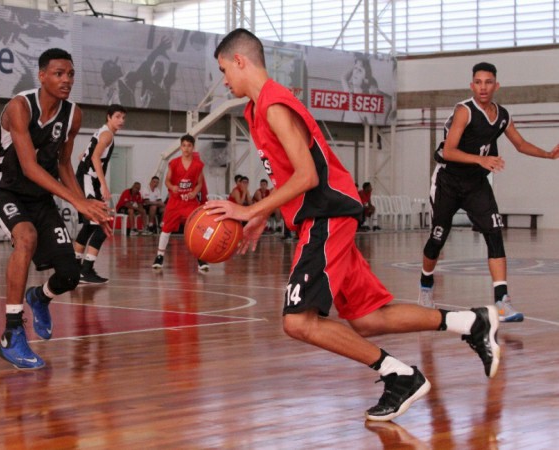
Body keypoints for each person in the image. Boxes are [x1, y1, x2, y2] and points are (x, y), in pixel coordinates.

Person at [207, 28, 501, 422]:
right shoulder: (256, 109)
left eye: (225, 69)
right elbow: (289, 174)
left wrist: (246, 210)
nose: (224, 80)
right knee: (366, 318)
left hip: (326, 216)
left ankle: (401, 376)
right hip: (326, 216)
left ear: (240, 60)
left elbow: (308, 176)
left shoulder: (274, 106)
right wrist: (262, 215)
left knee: (298, 321)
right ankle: (473, 322)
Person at [0, 48, 112, 370]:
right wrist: (77, 200)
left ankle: (39, 297)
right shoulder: (19, 107)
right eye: (58, 74)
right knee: (25, 237)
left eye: (70, 74)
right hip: (5, 190)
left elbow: (63, 163)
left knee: (70, 274)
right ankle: (12, 333)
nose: (66, 80)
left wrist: (86, 208)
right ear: (41, 76)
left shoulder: (73, 115)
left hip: (40, 198)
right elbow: (28, 166)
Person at [418, 62, 559, 321]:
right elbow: (448, 151)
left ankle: (502, 302)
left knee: (494, 234)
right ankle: (426, 284)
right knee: (437, 239)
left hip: (476, 184)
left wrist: (548, 155)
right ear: (472, 85)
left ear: (496, 85)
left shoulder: (502, 115)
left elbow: (520, 143)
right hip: (448, 181)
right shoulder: (464, 111)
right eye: (479, 82)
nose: (483, 87)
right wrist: (480, 159)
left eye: (488, 82)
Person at [73, 104, 126, 284]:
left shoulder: (101, 132)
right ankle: (85, 270)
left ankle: (75, 268)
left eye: (123, 118)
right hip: (88, 181)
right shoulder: (107, 134)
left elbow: (83, 156)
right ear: (108, 117)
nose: (121, 121)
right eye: (117, 117)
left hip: (86, 179)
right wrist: (103, 185)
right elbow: (94, 157)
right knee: (103, 224)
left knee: (90, 226)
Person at [151, 134, 209, 272]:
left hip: (190, 202)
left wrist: (194, 192)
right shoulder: (174, 163)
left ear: (192, 147)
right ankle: (159, 256)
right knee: (166, 229)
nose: (186, 148)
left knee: (197, 228)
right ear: (180, 147)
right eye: (184, 145)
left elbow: (199, 183)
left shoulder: (198, 165)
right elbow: (167, 181)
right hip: (175, 202)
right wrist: (172, 187)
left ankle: (200, 258)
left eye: (189, 146)